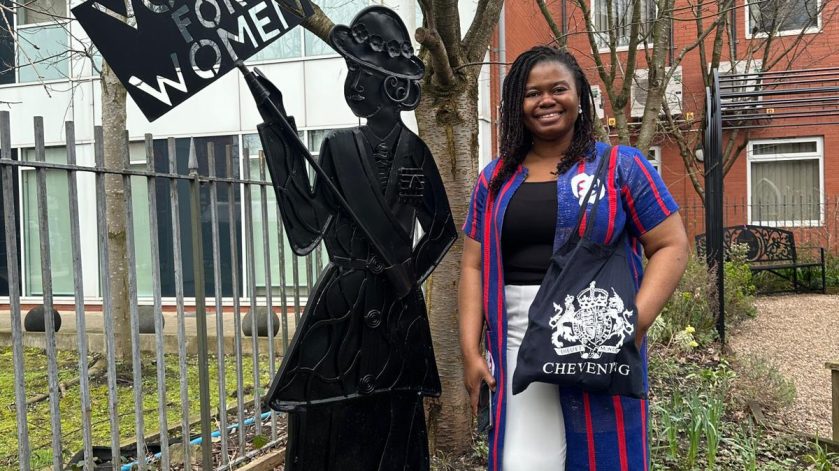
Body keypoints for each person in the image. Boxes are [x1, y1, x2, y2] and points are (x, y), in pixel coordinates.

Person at [458, 45, 689, 470]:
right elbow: (473, 265)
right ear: (516, 105)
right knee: (522, 461)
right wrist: (470, 351)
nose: (546, 100)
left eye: (558, 88)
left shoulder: (623, 166)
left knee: (603, 454)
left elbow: (671, 245)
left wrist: (631, 325)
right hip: (514, 343)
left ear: (579, 97)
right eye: (532, 93)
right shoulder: (493, 180)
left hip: (596, 334)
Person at [250, 6, 458, 470]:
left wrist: (408, 274)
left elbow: (443, 228)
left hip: (397, 310)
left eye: (364, 71)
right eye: (352, 71)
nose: (356, 83)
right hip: (341, 310)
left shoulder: (417, 152)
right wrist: (277, 126)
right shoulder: (336, 147)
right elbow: (306, 228)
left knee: (393, 425)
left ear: (392, 82)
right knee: (328, 422)